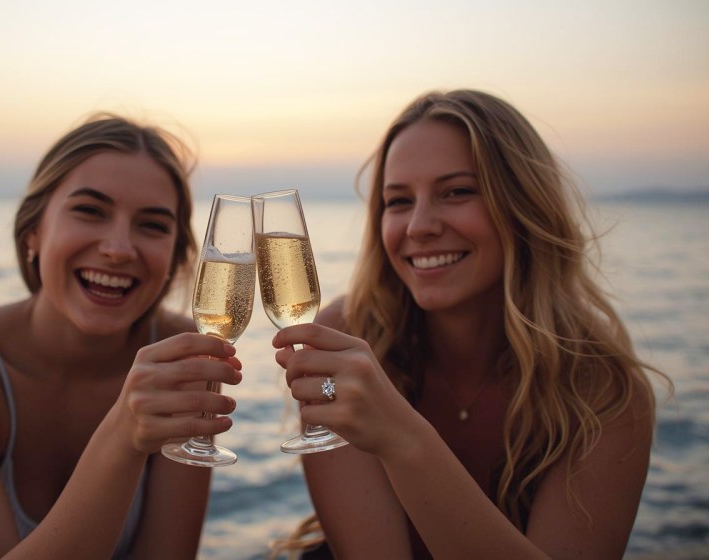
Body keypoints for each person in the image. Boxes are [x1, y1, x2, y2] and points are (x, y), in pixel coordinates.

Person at [270, 90, 668, 558]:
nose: (419, 226)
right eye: (397, 201)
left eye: (456, 191)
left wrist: (403, 440)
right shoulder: (352, 340)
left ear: (523, 206)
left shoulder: (603, 391)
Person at [0, 114, 242, 558]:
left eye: (152, 225)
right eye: (90, 211)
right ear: (34, 231)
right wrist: (120, 438)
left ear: (175, 255)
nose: (118, 248)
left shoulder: (182, 359)